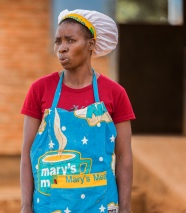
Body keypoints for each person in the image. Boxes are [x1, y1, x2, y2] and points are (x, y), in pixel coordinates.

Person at [20, 9, 135, 213]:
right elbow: (27, 153)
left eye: (70, 40)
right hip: (49, 205)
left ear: (91, 44)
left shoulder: (115, 93)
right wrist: (25, 206)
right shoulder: (40, 89)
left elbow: (124, 156)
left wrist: (125, 208)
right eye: (58, 41)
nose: (62, 48)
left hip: (100, 204)